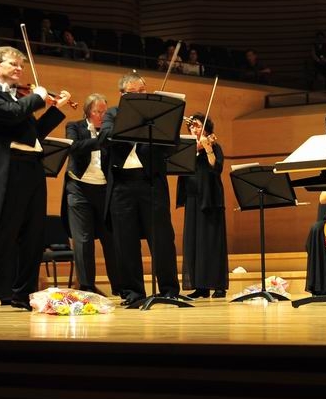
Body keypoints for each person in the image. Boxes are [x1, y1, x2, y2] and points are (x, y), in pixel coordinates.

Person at [0, 46, 68, 313]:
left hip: (33, 168)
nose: (19, 69)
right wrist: (37, 96)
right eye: (13, 64)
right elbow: (11, 114)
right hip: (7, 168)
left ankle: (22, 294)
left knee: (33, 235)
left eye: (21, 65)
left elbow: (34, 133)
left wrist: (55, 110)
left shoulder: (18, 99)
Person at [106, 73, 182, 306]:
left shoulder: (157, 115)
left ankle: (169, 289)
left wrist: (162, 127)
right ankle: (133, 292)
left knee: (161, 238)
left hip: (151, 182)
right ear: (123, 95)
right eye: (135, 92)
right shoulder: (113, 113)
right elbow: (105, 136)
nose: (141, 95)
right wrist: (133, 124)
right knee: (125, 240)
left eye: (143, 91)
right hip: (122, 184)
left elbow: (172, 145)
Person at [62, 94, 121, 295]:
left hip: (103, 190)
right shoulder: (75, 127)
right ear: (88, 112)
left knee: (111, 239)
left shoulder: (109, 130)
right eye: (98, 112)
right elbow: (73, 147)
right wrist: (99, 140)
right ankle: (87, 287)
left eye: (105, 111)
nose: (102, 116)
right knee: (83, 240)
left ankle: (120, 287)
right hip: (78, 189)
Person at [176, 114, 229, 298]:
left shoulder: (214, 147)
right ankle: (201, 286)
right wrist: (195, 149)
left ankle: (219, 286)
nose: (194, 129)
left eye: (198, 126)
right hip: (192, 199)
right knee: (195, 243)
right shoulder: (188, 149)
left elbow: (216, 168)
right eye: (191, 126)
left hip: (211, 199)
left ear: (206, 129)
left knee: (212, 243)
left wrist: (207, 148)